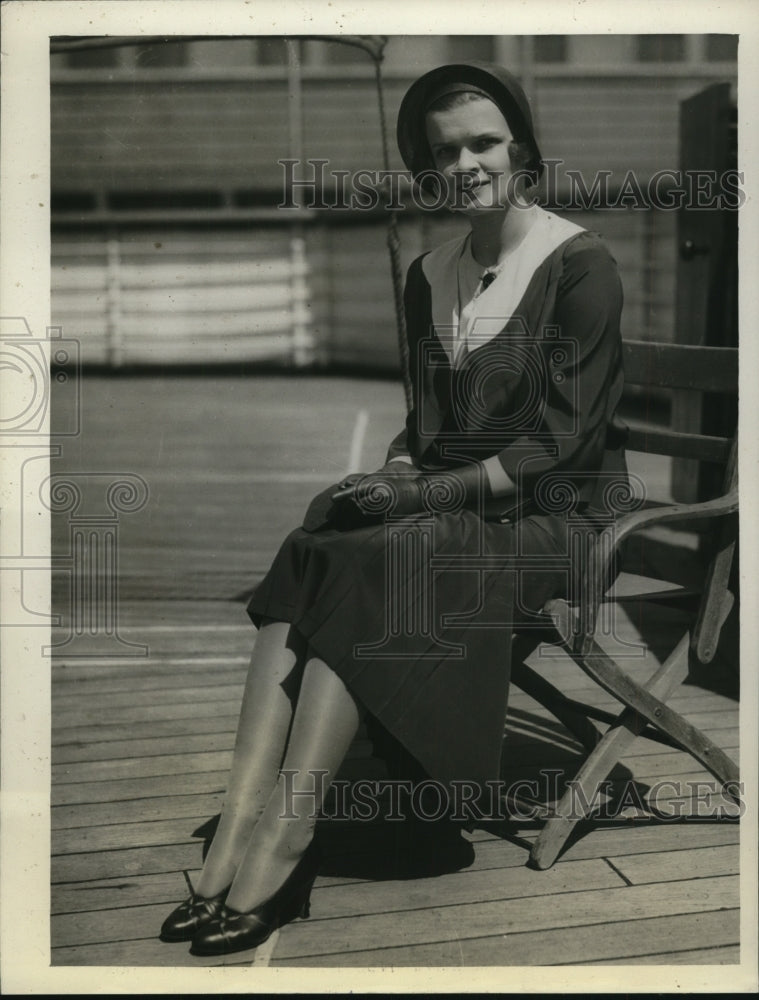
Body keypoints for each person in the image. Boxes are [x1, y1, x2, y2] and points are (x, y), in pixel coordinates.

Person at [158, 60, 629, 958]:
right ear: (424, 166)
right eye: (444, 151)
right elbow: (423, 426)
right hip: (456, 513)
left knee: (391, 553)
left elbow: (554, 451)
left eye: (485, 142)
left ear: (521, 146)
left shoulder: (579, 267)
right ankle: (239, 829)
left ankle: (289, 837)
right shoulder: (430, 273)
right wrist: (389, 473)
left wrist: (420, 493)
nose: (468, 164)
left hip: (554, 525)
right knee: (320, 537)